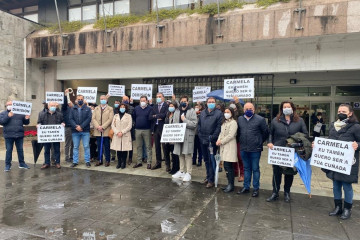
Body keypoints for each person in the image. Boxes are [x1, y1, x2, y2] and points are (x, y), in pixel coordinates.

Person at [323, 104, 360, 220]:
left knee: (346, 185)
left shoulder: (356, 127)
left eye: (343, 111)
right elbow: (330, 141)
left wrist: (357, 145)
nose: (341, 112)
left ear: (350, 113)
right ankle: (338, 207)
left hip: (348, 162)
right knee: (335, 185)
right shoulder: (334, 126)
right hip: (335, 161)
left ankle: (347, 209)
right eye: (339, 111)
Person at [267, 101, 308, 203]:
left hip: (292, 151)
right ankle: (275, 192)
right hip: (278, 151)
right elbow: (270, 133)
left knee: (289, 173)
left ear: (292, 108)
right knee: (276, 172)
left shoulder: (299, 121)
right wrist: (270, 142)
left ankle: (287, 192)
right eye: (284, 107)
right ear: (281, 109)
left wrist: (295, 141)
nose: (286, 108)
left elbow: (305, 134)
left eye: (288, 107)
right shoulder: (275, 121)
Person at [236, 102, 269, 197]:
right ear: (243, 110)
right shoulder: (240, 119)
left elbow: (265, 132)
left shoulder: (260, 119)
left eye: (250, 109)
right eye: (246, 109)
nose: (248, 110)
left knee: (255, 169)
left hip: (255, 149)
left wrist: (259, 141)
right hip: (243, 148)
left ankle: (255, 188)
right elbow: (239, 133)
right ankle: (246, 187)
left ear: (254, 110)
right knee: (246, 169)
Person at [198, 97, 223, 188]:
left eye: (213, 102)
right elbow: (199, 125)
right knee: (206, 160)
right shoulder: (203, 112)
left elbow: (218, 127)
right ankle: (208, 177)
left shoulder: (219, 113)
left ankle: (211, 180)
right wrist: (200, 135)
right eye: (209, 102)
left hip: (211, 141)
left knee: (211, 160)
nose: (211, 103)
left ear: (215, 103)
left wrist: (213, 137)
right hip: (203, 140)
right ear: (206, 103)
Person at [172, 96, 198, 182]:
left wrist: (185, 120)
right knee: (180, 153)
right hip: (179, 135)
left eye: (185, 101)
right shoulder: (177, 111)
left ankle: (189, 172)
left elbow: (194, 124)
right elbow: (174, 123)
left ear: (188, 102)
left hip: (188, 135)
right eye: (182, 101)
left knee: (188, 154)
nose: (183, 102)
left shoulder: (192, 111)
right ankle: (182, 171)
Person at [0, 101, 31, 171]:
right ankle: (7, 165)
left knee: (20, 150)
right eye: (8, 104)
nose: (10, 105)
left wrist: (27, 118)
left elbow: (26, 123)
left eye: (11, 104)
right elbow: (2, 122)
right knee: (9, 150)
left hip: (19, 135)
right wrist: (8, 116)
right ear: (6, 106)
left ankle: (22, 163)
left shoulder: (20, 113)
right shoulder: (3, 113)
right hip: (8, 135)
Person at [216, 107, 238, 193]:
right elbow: (221, 133)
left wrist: (221, 141)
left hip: (229, 146)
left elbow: (230, 135)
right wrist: (218, 140)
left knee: (229, 166)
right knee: (226, 166)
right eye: (225, 112)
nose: (226, 114)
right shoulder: (224, 122)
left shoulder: (233, 123)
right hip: (223, 146)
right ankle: (229, 183)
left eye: (228, 112)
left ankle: (231, 185)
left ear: (232, 113)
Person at [37, 101, 65, 169]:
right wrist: (38, 125)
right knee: (46, 150)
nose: (53, 107)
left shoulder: (59, 114)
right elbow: (39, 122)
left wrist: (63, 124)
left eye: (54, 106)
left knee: (57, 149)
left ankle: (57, 163)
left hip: (56, 136)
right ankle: (47, 163)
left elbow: (63, 121)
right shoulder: (42, 114)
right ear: (48, 106)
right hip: (47, 136)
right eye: (52, 105)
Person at [69, 95, 92, 168]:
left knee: (86, 146)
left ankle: (87, 161)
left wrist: (81, 126)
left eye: (81, 99)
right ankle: (75, 162)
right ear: (76, 100)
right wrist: (76, 126)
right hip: (75, 131)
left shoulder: (88, 109)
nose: (80, 100)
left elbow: (89, 119)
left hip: (85, 131)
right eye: (78, 99)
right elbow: (70, 119)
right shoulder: (73, 109)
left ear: (83, 100)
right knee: (75, 147)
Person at [92, 95, 114, 167]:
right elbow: (93, 118)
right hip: (98, 130)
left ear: (106, 100)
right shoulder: (96, 108)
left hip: (106, 131)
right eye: (101, 99)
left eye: (104, 99)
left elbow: (110, 119)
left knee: (107, 146)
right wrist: (98, 126)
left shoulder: (110, 109)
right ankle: (99, 160)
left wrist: (103, 127)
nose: (102, 100)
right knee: (99, 146)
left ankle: (107, 160)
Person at [133, 95, 153, 169]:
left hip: (147, 130)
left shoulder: (150, 108)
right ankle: (139, 162)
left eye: (144, 101)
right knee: (138, 146)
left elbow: (151, 119)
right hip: (137, 129)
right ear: (139, 101)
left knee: (148, 147)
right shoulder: (136, 108)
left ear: (147, 101)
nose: (142, 102)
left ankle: (149, 162)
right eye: (141, 101)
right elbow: (134, 117)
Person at [149, 92, 168, 170]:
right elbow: (150, 116)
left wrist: (156, 115)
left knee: (165, 147)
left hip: (164, 128)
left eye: (160, 96)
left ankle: (167, 164)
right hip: (156, 128)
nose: (158, 98)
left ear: (163, 97)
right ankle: (158, 162)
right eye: (157, 97)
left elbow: (165, 115)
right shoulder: (154, 106)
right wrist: (158, 116)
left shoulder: (166, 106)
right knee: (157, 147)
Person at [111, 103, 132, 169]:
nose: (122, 108)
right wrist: (117, 132)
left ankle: (124, 163)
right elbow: (112, 125)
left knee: (124, 150)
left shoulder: (128, 116)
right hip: (117, 135)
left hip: (125, 134)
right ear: (119, 108)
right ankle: (119, 162)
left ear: (125, 108)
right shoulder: (115, 116)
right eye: (121, 107)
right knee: (118, 150)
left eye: (123, 107)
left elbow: (129, 126)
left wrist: (122, 132)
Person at [230, 96, 245, 182]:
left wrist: (237, 102)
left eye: (234, 104)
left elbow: (242, 113)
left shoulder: (239, 115)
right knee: (233, 157)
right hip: (231, 139)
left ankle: (242, 174)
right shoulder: (229, 114)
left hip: (238, 138)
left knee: (239, 157)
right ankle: (235, 172)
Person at [164, 101, 180, 174]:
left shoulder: (177, 114)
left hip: (174, 136)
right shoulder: (168, 114)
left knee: (175, 154)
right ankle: (172, 167)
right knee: (169, 152)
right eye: (170, 106)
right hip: (168, 136)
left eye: (172, 106)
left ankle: (176, 168)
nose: (171, 107)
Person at [62, 89, 74, 163]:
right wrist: (66, 95)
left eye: (71, 102)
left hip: (74, 128)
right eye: (69, 102)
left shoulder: (74, 109)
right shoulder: (64, 109)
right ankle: (66, 157)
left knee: (73, 144)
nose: (70, 103)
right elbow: (64, 103)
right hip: (68, 127)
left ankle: (72, 157)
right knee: (67, 143)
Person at [192, 102, 204, 167]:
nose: (196, 108)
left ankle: (199, 161)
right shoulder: (192, 115)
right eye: (195, 107)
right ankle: (193, 160)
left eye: (198, 107)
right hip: (193, 134)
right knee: (194, 148)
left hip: (200, 134)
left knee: (200, 149)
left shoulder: (202, 114)